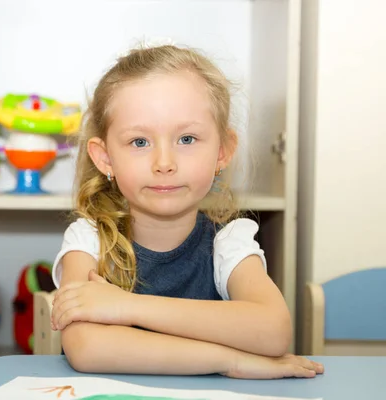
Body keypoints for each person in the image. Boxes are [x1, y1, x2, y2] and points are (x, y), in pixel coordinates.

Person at [49, 44, 324, 379]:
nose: (164, 163)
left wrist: (125, 306)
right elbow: (87, 348)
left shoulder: (230, 242)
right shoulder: (89, 240)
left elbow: (274, 331)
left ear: (222, 151)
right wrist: (230, 361)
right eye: (139, 142)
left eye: (187, 139)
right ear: (105, 158)